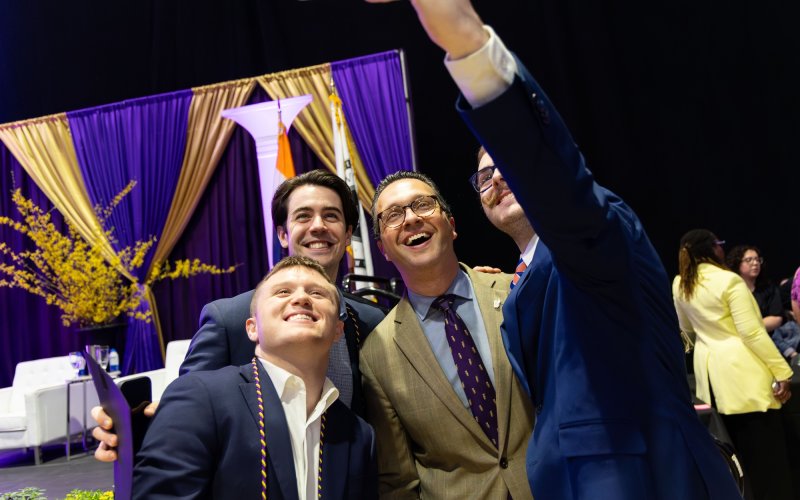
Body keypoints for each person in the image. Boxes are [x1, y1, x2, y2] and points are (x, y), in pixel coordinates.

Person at [366, 0, 744, 497]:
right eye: (483, 177)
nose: (497, 179)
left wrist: (470, 49)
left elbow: (556, 179)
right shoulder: (517, 286)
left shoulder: (597, 235)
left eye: (506, 164)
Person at [92, 169, 385, 460]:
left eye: (331, 216)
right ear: (283, 234)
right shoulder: (228, 319)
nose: (318, 226)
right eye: (303, 216)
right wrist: (129, 432)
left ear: (348, 233)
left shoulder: (371, 321)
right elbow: (184, 408)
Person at [133, 256, 378, 499]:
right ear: (252, 328)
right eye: (283, 292)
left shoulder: (359, 436)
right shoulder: (200, 398)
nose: (301, 298)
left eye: (316, 293)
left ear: (337, 330)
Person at [361, 170, 534, 499]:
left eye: (422, 205)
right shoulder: (376, 354)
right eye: (393, 215)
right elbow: (398, 483)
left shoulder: (517, 292)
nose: (411, 219)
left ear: (451, 225)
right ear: (383, 249)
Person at [673, 229, 794, 500]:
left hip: (710, 380)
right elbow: (751, 333)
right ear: (712, 249)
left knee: (733, 462)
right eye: (719, 244)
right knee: (767, 462)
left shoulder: (681, 283)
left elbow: (686, 330)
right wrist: (781, 371)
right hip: (744, 378)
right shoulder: (729, 280)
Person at [727, 245, 800, 360]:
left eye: (757, 259)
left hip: (766, 345)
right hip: (736, 348)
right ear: (737, 263)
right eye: (749, 260)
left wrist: (746, 329)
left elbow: (776, 318)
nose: (755, 263)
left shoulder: (768, 289)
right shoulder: (729, 290)